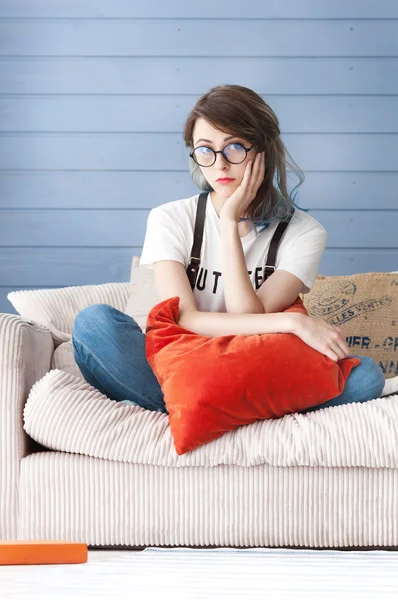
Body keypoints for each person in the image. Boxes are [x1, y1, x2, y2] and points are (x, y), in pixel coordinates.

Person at [72, 84, 388, 415]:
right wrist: (291, 323)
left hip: (252, 369)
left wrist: (229, 224)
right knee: (94, 324)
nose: (219, 165)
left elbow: (244, 319)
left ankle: (192, 413)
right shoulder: (170, 218)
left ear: (263, 150)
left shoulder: (303, 233)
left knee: (364, 376)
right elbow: (186, 319)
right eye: (205, 150)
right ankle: (226, 413)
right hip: (181, 366)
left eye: (235, 147)